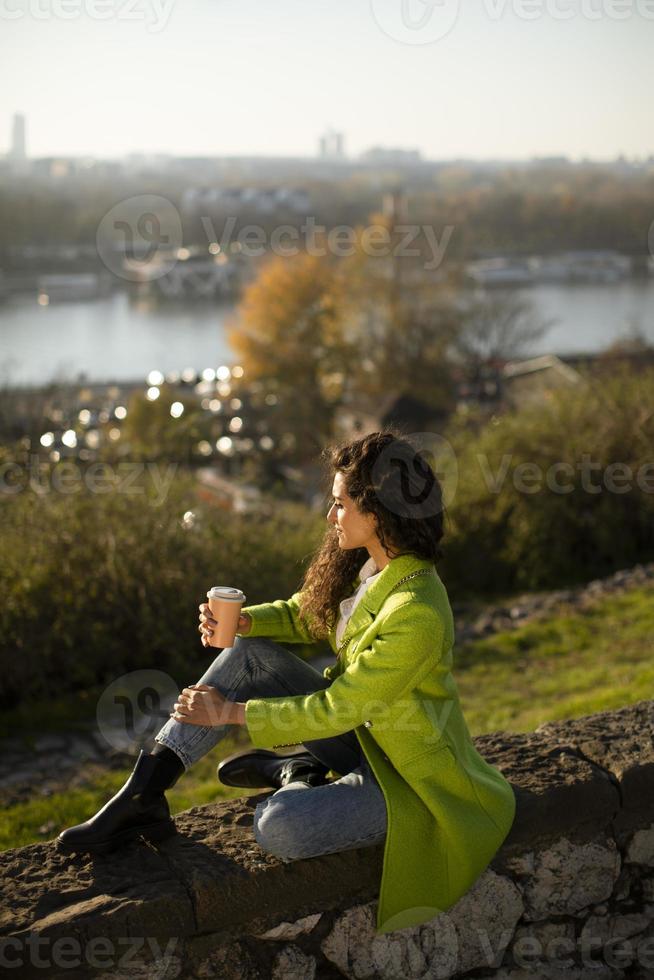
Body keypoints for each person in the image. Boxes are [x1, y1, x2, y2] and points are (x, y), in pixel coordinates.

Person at [57, 429, 516, 936]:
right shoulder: (372, 568)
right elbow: (307, 617)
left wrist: (230, 714)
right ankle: (144, 793)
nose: (331, 515)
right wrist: (245, 622)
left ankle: (293, 772)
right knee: (247, 654)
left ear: (379, 511)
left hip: (407, 778)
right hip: (364, 741)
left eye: (340, 504)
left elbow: (339, 707)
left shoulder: (418, 612)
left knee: (279, 829)